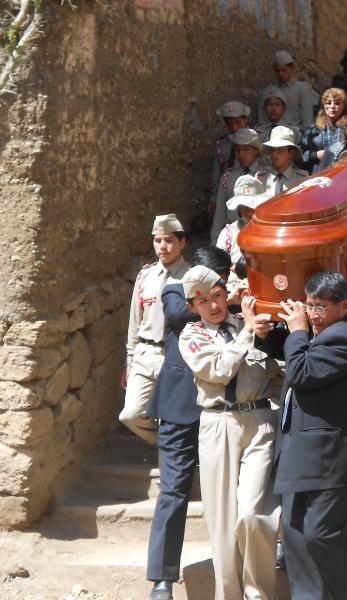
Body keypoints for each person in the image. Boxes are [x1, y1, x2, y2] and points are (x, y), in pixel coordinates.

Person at [179, 266, 284, 600]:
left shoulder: (247, 323)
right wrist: (247, 334)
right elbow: (220, 370)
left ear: (227, 293)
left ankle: (259, 594)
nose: (213, 306)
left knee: (255, 514)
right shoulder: (192, 336)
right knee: (222, 522)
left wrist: (260, 333)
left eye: (218, 296)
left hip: (259, 419)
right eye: (203, 301)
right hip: (218, 423)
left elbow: (273, 373)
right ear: (192, 307)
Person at [273, 271, 347, 600]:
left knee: (320, 534)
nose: (312, 314)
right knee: (295, 536)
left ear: (346, 305)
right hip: (300, 452)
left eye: (320, 307)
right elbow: (299, 351)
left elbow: (301, 371)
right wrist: (265, 335)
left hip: (330, 458)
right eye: (308, 305)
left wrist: (297, 331)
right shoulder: (324, 332)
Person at [145, 245, 231, 600]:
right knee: (173, 491)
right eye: (210, 289)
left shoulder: (232, 301)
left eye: (221, 288)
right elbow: (180, 311)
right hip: (181, 410)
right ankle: (162, 578)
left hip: (225, 412)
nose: (215, 299)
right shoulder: (174, 291)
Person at [120, 214, 190, 445]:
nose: (162, 246)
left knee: (170, 417)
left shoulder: (191, 277)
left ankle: (170, 456)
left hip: (175, 355)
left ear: (182, 242)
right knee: (131, 414)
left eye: (169, 240)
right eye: (158, 240)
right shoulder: (145, 275)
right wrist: (129, 362)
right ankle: (166, 445)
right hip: (144, 354)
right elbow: (134, 322)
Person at [210, 127, 265, 242]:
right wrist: (214, 241)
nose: (241, 154)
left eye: (246, 149)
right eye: (237, 150)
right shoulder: (227, 177)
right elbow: (219, 215)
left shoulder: (267, 176)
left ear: (255, 151)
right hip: (234, 236)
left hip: (260, 234)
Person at [216, 175, 272, 271]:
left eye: (253, 206)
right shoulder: (228, 234)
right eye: (244, 207)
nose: (249, 211)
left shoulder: (273, 231)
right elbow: (218, 266)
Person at [261, 50, 319, 129]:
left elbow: (307, 122)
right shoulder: (268, 91)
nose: (281, 74)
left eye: (284, 70)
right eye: (277, 71)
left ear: (292, 69)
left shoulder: (302, 90)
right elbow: (262, 120)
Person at [302, 87, 347, 173]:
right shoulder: (313, 129)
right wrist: (316, 155)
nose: (332, 106)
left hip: (343, 172)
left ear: (344, 106)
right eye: (328, 103)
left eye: (337, 103)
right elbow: (300, 157)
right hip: (318, 174)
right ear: (323, 106)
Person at [211, 101, 251, 205]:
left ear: (245, 119)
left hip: (251, 192)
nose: (234, 128)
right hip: (228, 193)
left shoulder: (256, 140)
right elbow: (217, 176)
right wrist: (214, 199)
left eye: (238, 123)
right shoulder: (221, 144)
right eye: (229, 124)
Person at [258, 125, 308, 197]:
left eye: (280, 149)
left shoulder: (302, 180)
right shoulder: (260, 179)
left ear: (291, 153)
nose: (274, 153)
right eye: (272, 149)